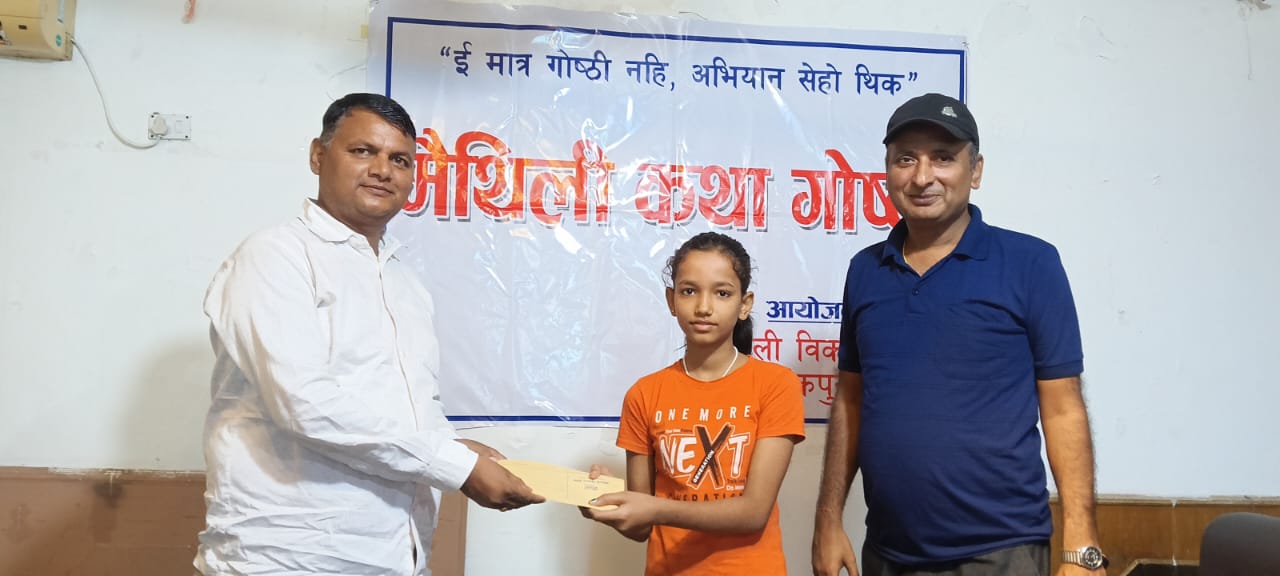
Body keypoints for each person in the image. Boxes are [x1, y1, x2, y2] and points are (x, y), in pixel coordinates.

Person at [194, 92, 543, 576]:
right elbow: (305, 404)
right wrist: (456, 466)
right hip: (289, 554)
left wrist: (457, 447)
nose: (383, 170)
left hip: (393, 554)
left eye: (399, 160)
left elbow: (411, 408)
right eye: (363, 151)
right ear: (318, 156)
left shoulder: (404, 281)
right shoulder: (275, 257)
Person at [811, 93, 1105, 576]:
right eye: (906, 158)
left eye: (943, 157)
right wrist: (828, 519)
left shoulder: (1031, 263)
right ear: (887, 171)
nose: (922, 176)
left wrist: (1082, 545)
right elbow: (850, 400)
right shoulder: (865, 271)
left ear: (976, 170)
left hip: (1000, 553)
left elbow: (1063, 408)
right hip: (887, 552)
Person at [582, 232, 806, 575]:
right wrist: (602, 499)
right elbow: (641, 527)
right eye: (689, 291)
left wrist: (655, 508)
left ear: (745, 304)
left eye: (722, 293)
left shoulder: (776, 385)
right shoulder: (644, 394)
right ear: (671, 300)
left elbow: (753, 512)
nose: (703, 307)